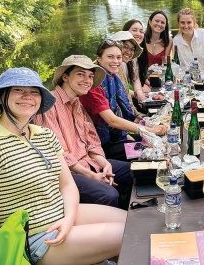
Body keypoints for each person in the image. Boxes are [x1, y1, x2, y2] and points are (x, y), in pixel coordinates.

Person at [0, 67, 126, 264]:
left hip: (62, 216)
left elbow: (67, 186)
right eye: (18, 90)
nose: (27, 97)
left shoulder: (45, 135)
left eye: (34, 92)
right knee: (132, 233)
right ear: (0, 98)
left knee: (136, 221)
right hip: (33, 238)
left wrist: (68, 220)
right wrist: (5, 258)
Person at [34, 55, 132, 209]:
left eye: (91, 76)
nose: (87, 80)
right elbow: (57, 153)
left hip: (88, 162)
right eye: (80, 74)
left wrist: (104, 164)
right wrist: (92, 175)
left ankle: (126, 216)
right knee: (108, 195)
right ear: (65, 77)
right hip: (66, 173)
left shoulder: (78, 104)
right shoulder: (48, 106)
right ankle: (109, 226)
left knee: (134, 171)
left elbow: (92, 140)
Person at [79, 41, 166, 161]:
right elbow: (112, 120)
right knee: (157, 152)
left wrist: (129, 136)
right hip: (101, 145)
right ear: (99, 58)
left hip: (117, 137)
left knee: (162, 144)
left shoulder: (113, 77)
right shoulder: (94, 84)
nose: (115, 61)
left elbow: (123, 113)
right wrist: (149, 131)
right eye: (110, 57)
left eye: (118, 57)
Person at [123, 19, 151, 103]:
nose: (138, 34)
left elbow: (135, 78)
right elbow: (119, 87)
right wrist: (137, 95)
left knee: (148, 91)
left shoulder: (133, 54)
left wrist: (139, 93)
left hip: (129, 89)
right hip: (122, 93)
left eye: (141, 31)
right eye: (134, 30)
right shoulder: (118, 56)